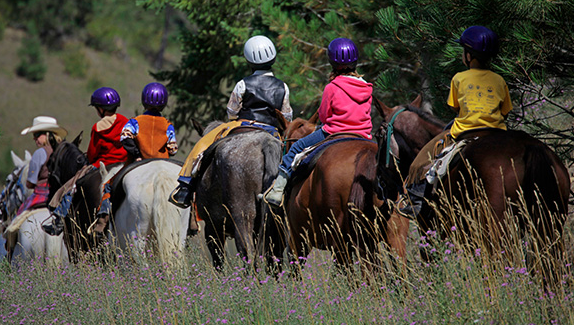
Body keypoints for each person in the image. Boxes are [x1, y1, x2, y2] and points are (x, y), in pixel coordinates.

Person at [399, 25, 513, 219]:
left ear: (468, 55)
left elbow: (455, 108)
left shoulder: (459, 78)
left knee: (420, 163)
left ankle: (415, 199)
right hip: (497, 132)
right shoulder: (499, 79)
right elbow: (506, 111)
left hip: (464, 132)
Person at [169, 35, 293, 209]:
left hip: (242, 124)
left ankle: (185, 185)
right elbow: (287, 116)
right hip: (272, 130)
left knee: (203, 143)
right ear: (273, 58)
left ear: (248, 60)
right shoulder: (283, 86)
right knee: (294, 155)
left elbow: (232, 111)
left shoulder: (243, 84)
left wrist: (233, 120)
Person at [263, 37, 373, 207]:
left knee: (297, 147)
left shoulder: (332, 87)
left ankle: (278, 189)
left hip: (334, 132)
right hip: (364, 134)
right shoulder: (366, 87)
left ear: (331, 62)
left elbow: (323, 115)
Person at [91, 82, 178, 236]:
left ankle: (102, 221)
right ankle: (192, 222)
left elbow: (125, 138)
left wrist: (137, 155)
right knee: (185, 187)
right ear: (164, 104)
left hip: (139, 162)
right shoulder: (168, 125)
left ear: (144, 101)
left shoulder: (135, 122)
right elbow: (173, 148)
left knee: (109, 186)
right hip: (163, 162)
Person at [42, 87, 129, 236]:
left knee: (71, 185)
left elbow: (94, 153)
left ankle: (58, 219)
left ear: (100, 109)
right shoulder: (126, 121)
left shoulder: (98, 127)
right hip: (124, 163)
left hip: (102, 164)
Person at [15, 116, 67, 216]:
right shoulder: (62, 151)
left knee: (18, 218)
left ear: (47, 134)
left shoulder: (39, 153)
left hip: (42, 195)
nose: (34, 138)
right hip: (60, 197)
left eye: (37, 134)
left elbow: (31, 183)